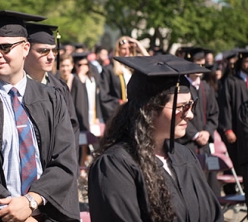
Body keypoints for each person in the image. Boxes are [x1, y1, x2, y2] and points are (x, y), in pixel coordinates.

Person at [0, 10, 80, 222]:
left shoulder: (52, 98)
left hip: (48, 213)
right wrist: (16, 213)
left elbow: (65, 159)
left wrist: (32, 200)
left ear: (25, 48)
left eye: (5, 47)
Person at [88, 54, 223, 222]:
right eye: (182, 107)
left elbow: (214, 215)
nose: (190, 114)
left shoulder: (184, 156)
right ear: (149, 110)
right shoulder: (116, 165)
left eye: (191, 105)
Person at [24, 22, 80, 162]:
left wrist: (70, 169)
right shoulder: (13, 89)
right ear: (26, 50)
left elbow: (72, 131)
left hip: (58, 169)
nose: (51, 57)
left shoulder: (60, 88)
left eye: (53, 51)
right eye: (43, 51)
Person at [176, 47, 220, 196]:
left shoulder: (206, 87)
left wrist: (207, 132)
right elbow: (179, 114)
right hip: (187, 143)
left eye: (202, 64)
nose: (200, 67)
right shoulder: (182, 87)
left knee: (209, 184)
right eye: (197, 63)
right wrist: (195, 135)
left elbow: (214, 113)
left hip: (205, 144)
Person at [218, 49, 248, 194]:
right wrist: (228, 129)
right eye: (246, 62)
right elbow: (225, 107)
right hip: (237, 131)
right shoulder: (231, 82)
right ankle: (232, 191)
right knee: (237, 161)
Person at [100, 36, 149, 122]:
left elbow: (151, 65)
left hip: (135, 113)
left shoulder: (135, 68)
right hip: (119, 114)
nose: (127, 52)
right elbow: (104, 96)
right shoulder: (109, 70)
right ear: (118, 50)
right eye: (123, 48)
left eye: (129, 48)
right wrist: (120, 103)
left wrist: (139, 46)